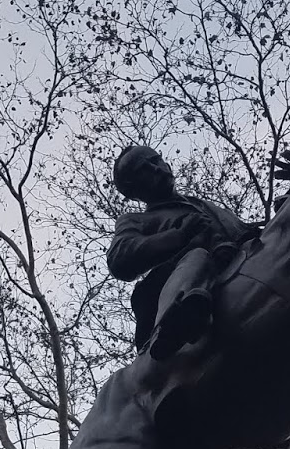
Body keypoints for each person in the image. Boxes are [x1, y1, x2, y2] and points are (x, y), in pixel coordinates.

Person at [107, 145, 257, 360]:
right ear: (133, 189)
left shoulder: (203, 205)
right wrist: (179, 236)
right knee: (198, 257)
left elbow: (245, 235)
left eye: (155, 160)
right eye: (144, 168)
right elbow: (119, 258)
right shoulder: (136, 220)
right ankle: (171, 325)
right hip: (185, 281)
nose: (156, 168)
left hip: (239, 268)